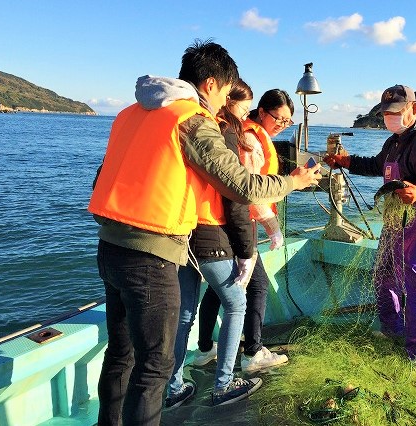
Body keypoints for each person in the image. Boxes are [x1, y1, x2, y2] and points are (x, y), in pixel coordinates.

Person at [88, 40, 321, 426]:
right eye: (227, 93)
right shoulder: (191, 120)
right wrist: (293, 181)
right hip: (151, 255)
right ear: (212, 84)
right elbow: (241, 185)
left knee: (121, 356)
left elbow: (103, 179)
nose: (223, 104)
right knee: (154, 368)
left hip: (110, 249)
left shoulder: (130, 114)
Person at [324, 84, 416, 371]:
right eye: (386, 114)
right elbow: (377, 166)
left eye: (396, 112)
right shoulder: (393, 141)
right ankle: (392, 329)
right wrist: (346, 160)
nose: (390, 118)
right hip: (395, 219)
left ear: (413, 109)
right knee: (384, 275)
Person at [164, 78, 262, 409]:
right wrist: (246, 250)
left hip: (181, 232)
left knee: (185, 312)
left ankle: (173, 387)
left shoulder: (187, 124)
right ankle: (222, 385)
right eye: (244, 107)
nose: (246, 114)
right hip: (209, 231)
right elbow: (235, 196)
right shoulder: (225, 131)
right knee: (236, 302)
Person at [195, 89, 294, 373]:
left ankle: (204, 348)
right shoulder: (250, 138)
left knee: (218, 288)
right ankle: (252, 351)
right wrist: (272, 227)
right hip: (239, 223)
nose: (281, 125)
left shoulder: (241, 133)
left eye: (287, 123)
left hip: (218, 221)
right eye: (279, 118)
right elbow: (249, 191)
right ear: (261, 112)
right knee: (257, 284)